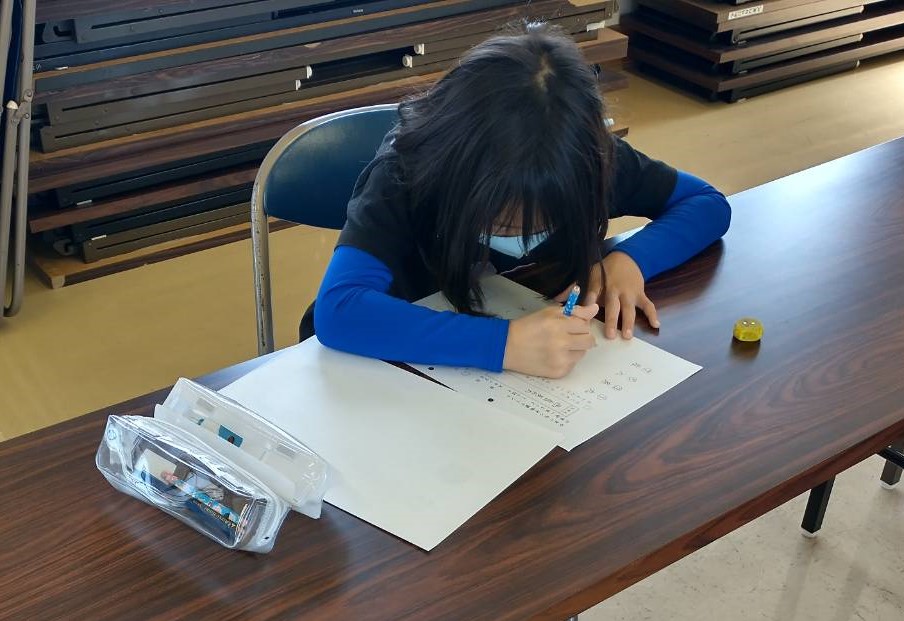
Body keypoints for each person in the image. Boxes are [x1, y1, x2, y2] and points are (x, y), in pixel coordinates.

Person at [306, 23, 730, 378]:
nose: (520, 237)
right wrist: (503, 344)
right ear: (457, 172)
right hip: (388, 366)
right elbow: (339, 311)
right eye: (501, 222)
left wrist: (631, 259)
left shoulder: (588, 162)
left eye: (545, 221)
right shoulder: (404, 174)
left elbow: (706, 203)